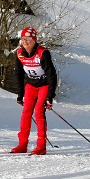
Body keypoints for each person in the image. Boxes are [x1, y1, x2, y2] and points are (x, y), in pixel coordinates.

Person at [11, 27, 57, 155]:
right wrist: (20, 94)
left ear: (34, 40)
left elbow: (52, 75)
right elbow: (18, 74)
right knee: (26, 112)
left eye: (28, 39)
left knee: (38, 112)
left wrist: (50, 96)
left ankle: (41, 145)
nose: (25, 42)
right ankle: (22, 144)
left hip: (44, 85)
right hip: (31, 85)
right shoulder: (20, 53)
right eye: (23, 39)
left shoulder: (42, 53)